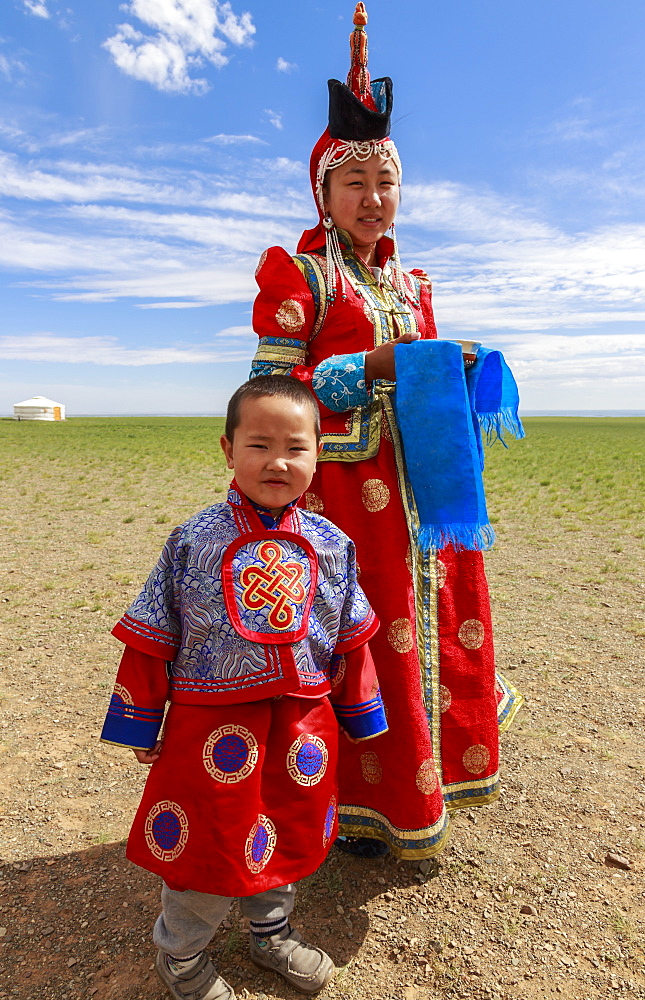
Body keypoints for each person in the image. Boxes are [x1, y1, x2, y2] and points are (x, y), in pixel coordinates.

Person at [251, 3, 523, 860]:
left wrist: (456, 365)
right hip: (344, 503)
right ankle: (356, 808)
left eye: (386, 182)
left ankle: (422, 784)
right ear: (324, 194)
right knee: (368, 640)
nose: (374, 198)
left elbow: (419, 363)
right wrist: (370, 367)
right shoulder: (296, 275)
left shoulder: (412, 279)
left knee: (431, 631)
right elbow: (267, 390)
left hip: (420, 493)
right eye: (355, 183)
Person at [100, 375, 388, 999]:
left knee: (284, 830)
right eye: (258, 445)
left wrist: (362, 718)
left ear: (319, 452)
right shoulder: (193, 539)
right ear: (228, 450)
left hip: (300, 727)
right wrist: (144, 723)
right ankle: (179, 955)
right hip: (209, 732)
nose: (277, 461)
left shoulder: (333, 546)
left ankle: (272, 933)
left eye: (295, 446)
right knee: (205, 844)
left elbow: (350, 642)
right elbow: (153, 636)